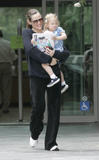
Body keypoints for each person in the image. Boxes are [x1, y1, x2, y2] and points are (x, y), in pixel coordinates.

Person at [22, 9, 70, 151]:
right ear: (29, 22)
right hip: (37, 75)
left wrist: (55, 54)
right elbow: (31, 51)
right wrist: (50, 59)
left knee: (54, 108)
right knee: (38, 107)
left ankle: (51, 143)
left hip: (53, 75)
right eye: (35, 20)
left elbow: (65, 52)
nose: (38, 22)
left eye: (40, 19)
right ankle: (35, 132)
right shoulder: (28, 33)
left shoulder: (51, 31)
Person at [0, 30, 17, 113]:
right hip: (6, 66)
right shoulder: (8, 43)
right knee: (6, 87)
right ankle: (5, 107)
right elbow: (14, 57)